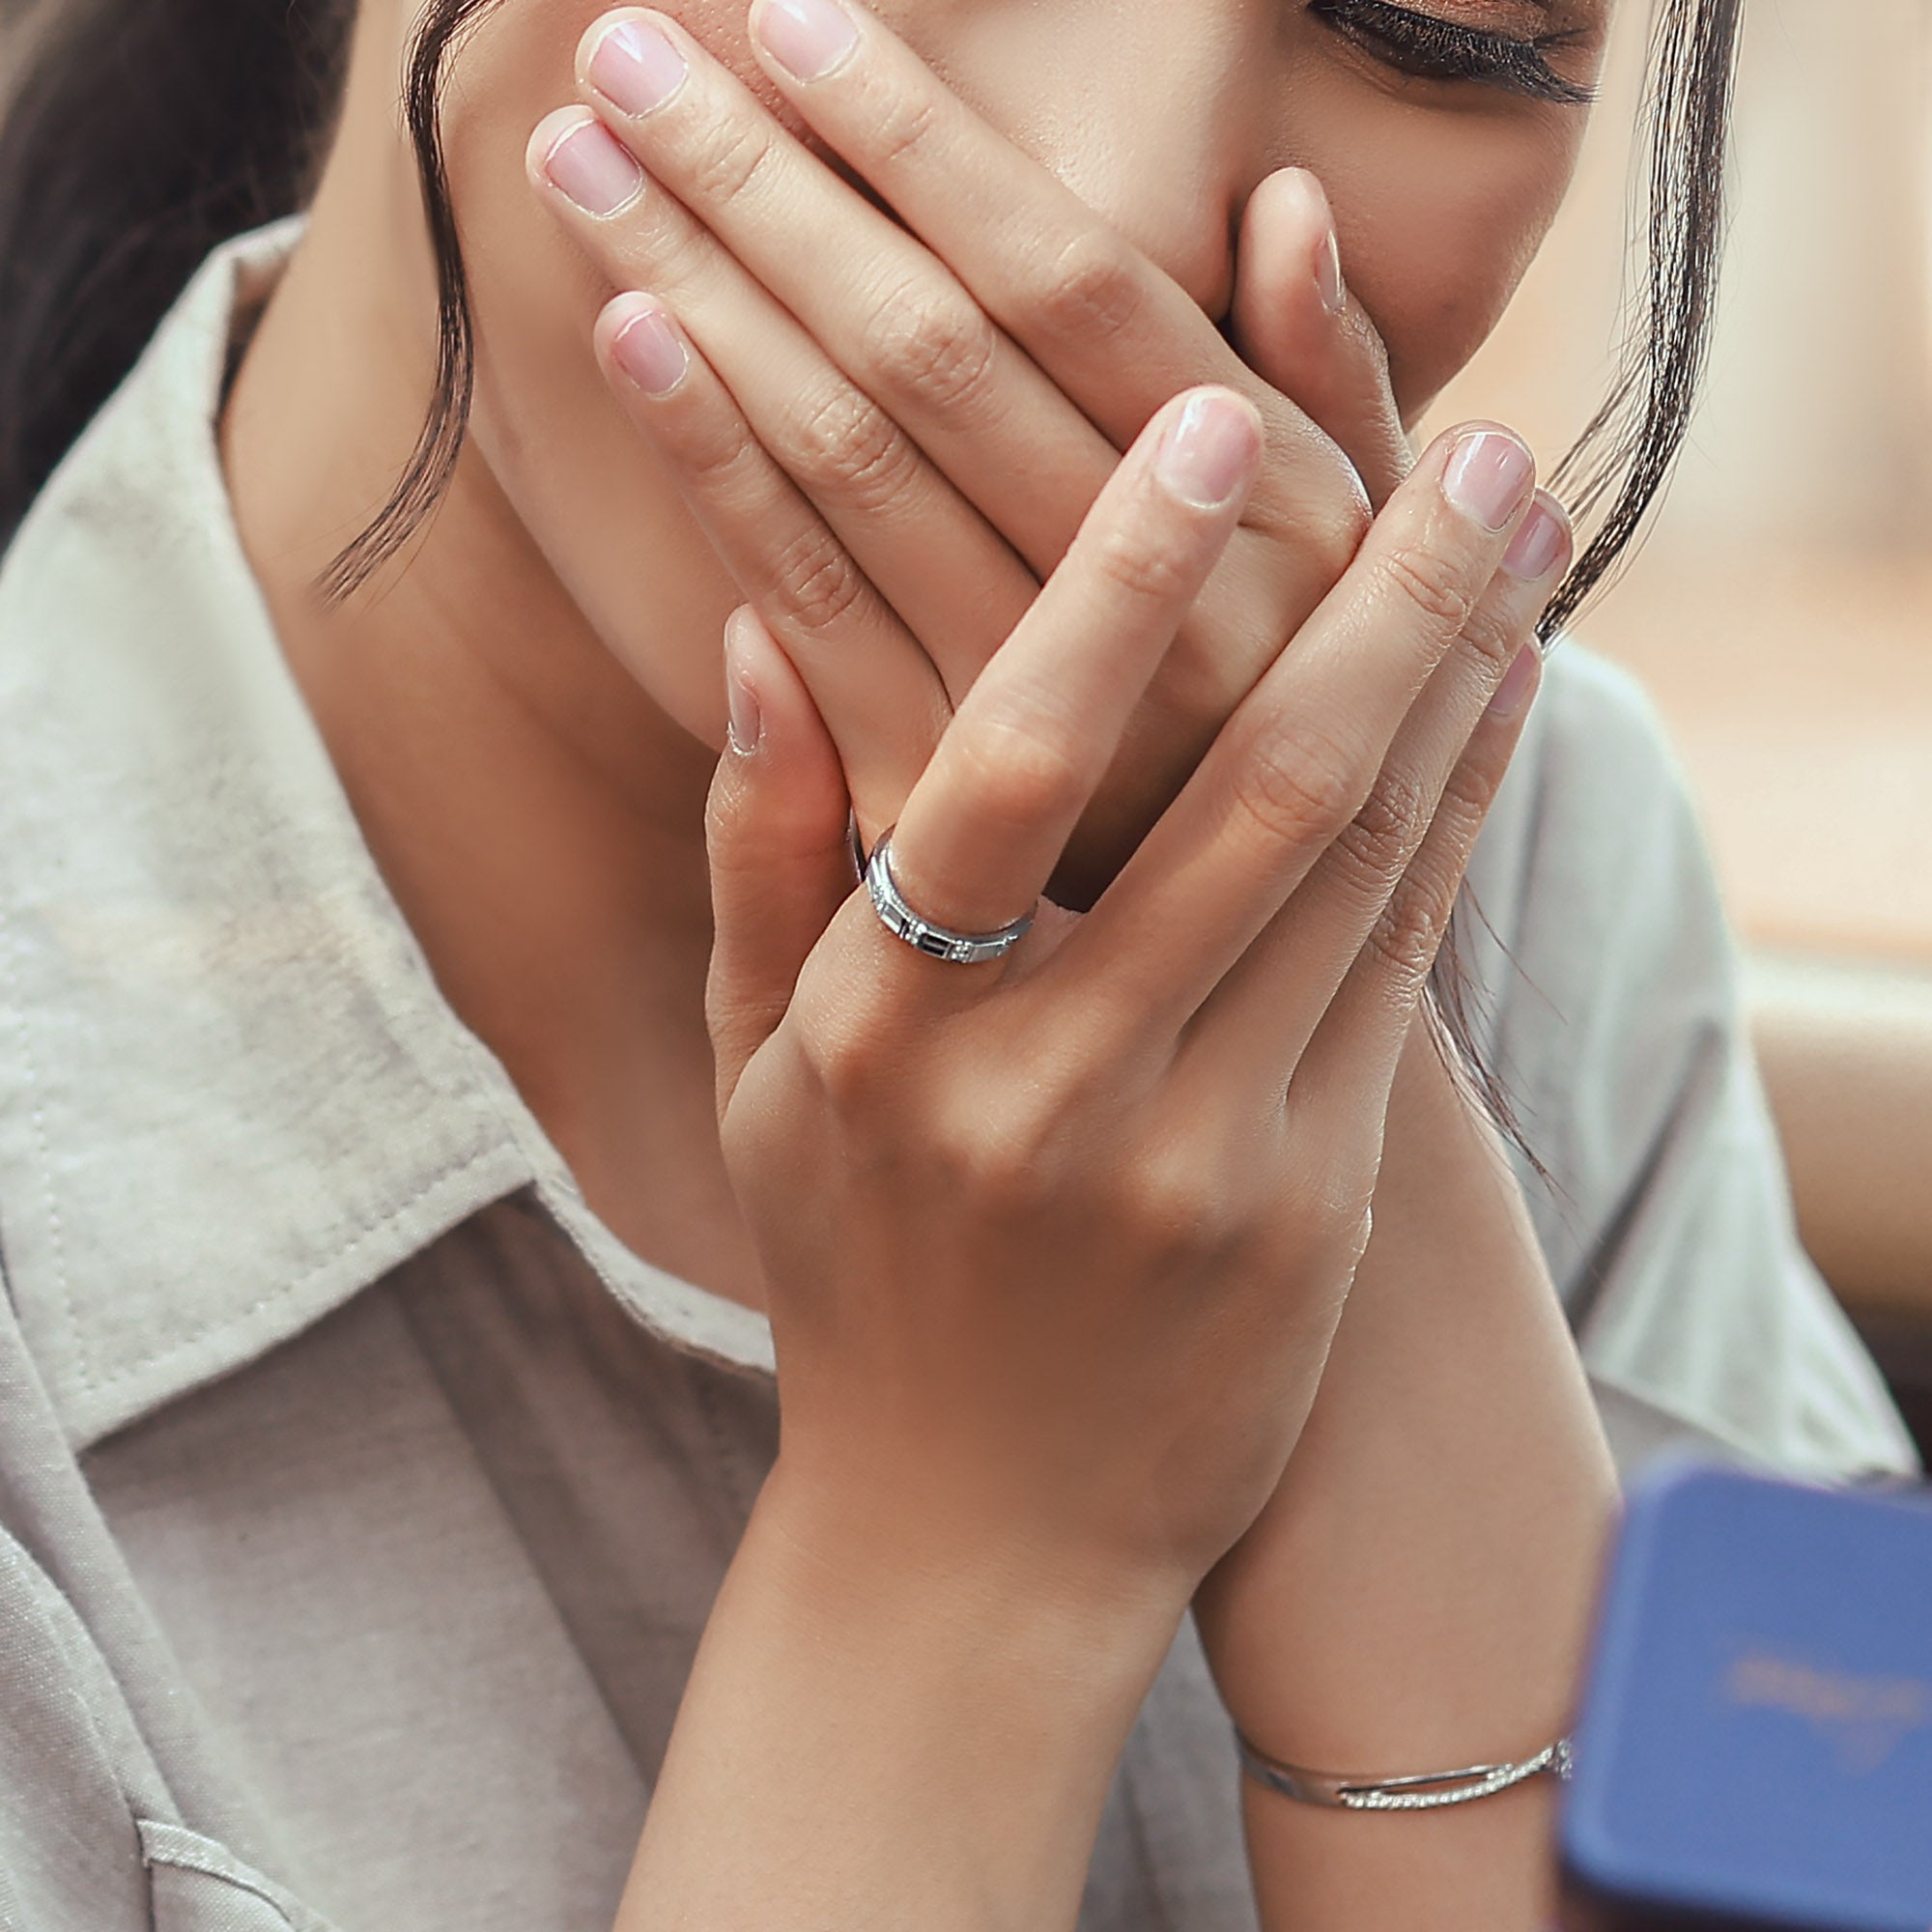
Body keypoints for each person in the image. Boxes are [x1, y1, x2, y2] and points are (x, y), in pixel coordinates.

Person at [0, 0, 1917, 1927]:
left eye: (1434, 26)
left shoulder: (1536, 857)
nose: (1112, 210)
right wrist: (959, 1569)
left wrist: (1372, 1157)